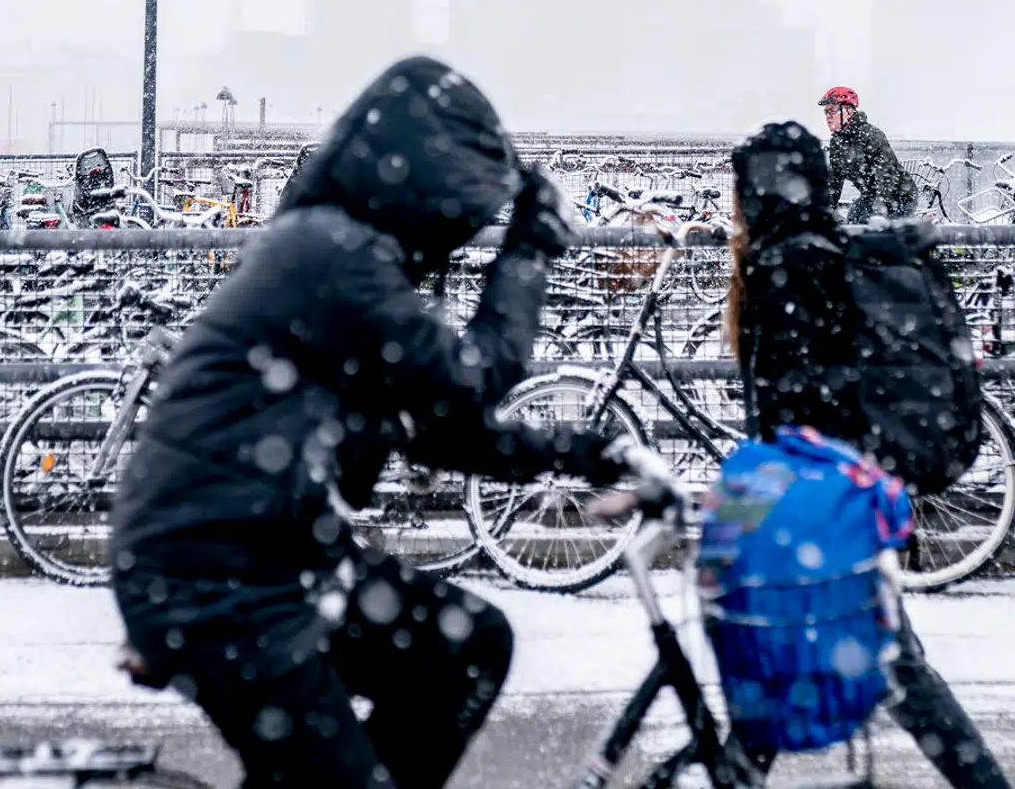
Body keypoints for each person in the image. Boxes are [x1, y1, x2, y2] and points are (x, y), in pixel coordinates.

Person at [111, 56, 656, 789]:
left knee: (470, 646)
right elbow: (469, 386)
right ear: (418, 186)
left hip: (274, 554)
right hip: (218, 576)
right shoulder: (331, 253)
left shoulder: (345, 256)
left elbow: (439, 430)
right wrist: (525, 256)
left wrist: (584, 451)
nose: (457, 236)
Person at [726, 120, 1008, 789]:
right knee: (858, 667)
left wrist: (734, 520)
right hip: (843, 497)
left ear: (760, 190)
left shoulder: (782, 266)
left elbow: (789, 418)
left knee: (883, 668)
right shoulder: (819, 251)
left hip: (822, 512)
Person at [818, 86, 916, 224]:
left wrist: (878, 211)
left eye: (832, 110)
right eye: (826, 112)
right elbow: (835, 179)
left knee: (873, 232)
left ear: (849, 111)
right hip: (870, 196)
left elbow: (885, 177)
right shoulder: (837, 141)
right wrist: (825, 209)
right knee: (851, 223)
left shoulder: (871, 135)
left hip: (900, 196)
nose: (828, 116)